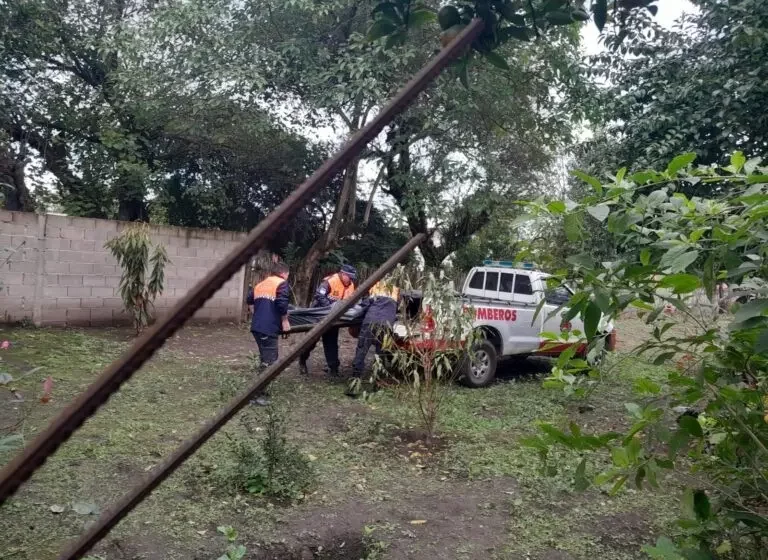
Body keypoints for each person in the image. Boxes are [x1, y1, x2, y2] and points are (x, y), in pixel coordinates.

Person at [298, 264, 356, 377]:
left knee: (331, 343)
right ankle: (302, 360)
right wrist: (331, 308)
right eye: (349, 276)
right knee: (310, 342)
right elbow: (318, 296)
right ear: (343, 274)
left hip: (334, 319)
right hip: (318, 316)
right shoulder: (329, 282)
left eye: (353, 277)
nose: (351, 279)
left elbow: (350, 301)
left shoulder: (351, 285)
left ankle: (334, 369)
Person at [246, 261, 291, 406]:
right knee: (270, 362)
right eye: (287, 275)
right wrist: (285, 321)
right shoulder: (281, 284)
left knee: (265, 359)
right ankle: (258, 395)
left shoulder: (261, 284)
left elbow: (249, 300)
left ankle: (257, 392)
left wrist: (257, 315)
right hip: (268, 328)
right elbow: (282, 304)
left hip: (257, 327)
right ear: (284, 273)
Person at [348, 276, 400, 396]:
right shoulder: (396, 291)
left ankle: (354, 386)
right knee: (380, 355)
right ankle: (376, 385)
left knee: (361, 352)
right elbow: (395, 309)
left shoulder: (375, 287)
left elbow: (365, 306)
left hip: (370, 323)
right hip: (386, 325)